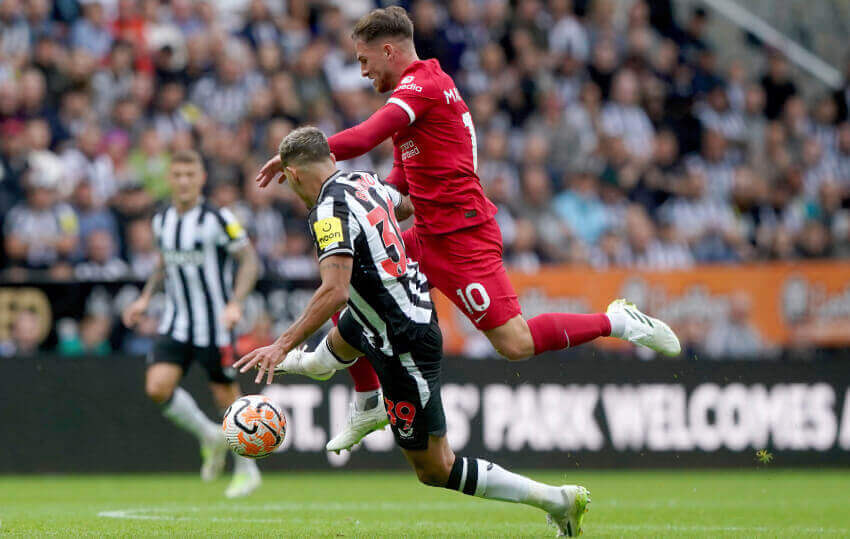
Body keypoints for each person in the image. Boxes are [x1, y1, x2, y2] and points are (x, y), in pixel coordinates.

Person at [255, 6, 681, 453]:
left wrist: (301, 157)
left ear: (387, 50)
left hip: (463, 236)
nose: (361, 72)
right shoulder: (412, 101)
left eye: (364, 61)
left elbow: (362, 139)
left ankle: (615, 320)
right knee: (357, 275)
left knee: (514, 343)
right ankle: (365, 399)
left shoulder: (422, 86)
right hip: (429, 232)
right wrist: (360, 211)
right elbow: (402, 184)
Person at [236, 127, 591, 537]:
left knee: (435, 468)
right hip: (384, 314)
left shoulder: (326, 212)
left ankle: (557, 500)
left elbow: (333, 290)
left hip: (402, 342)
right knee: (340, 339)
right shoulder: (363, 180)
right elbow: (403, 206)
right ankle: (349, 392)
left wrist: (282, 342)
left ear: (294, 176)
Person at [121, 150, 262, 498]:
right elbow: (163, 264)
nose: (183, 181)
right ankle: (209, 436)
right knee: (157, 388)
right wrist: (144, 298)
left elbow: (249, 260)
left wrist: (236, 303)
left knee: (226, 397)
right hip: (176, 322)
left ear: (201, 178)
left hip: (215, 323)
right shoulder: (162, 219)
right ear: (170, 179)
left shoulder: (218, 217)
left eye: (190, 174)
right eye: (178, 174)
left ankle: (247, 468)